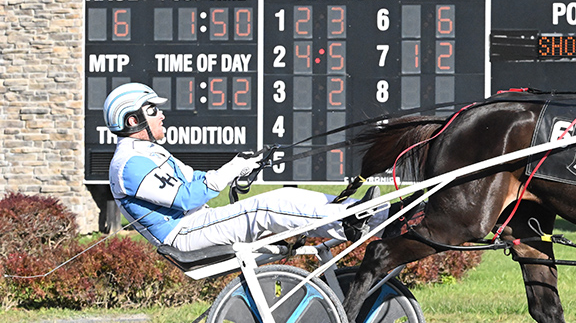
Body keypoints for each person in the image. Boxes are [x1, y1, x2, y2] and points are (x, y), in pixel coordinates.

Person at [104, 82, 385, 253]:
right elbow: (188, 197)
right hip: (183, 234)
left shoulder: (147, 152)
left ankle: (370, 213)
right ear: (132, 120)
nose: (161, 114)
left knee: (289, 198)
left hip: (196, 223)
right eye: (153, 110)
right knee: (269, 206)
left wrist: (240, 167)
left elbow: (195, 179)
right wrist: (229, 171)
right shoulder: (128, 165)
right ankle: (350, 221)